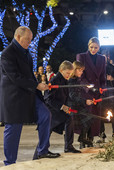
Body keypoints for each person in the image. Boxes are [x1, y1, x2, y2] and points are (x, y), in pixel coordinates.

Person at [0, 26, 60, 166]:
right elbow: (15, 77)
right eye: (27, 39)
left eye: (31, 40)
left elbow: (30, 75)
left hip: (29, 93)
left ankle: (42, 150)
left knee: (46, 115)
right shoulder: (7, 54)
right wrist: (36, 86)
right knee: (14, 128)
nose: (29, 42)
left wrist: (40, 86)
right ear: (18, 37)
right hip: (14, 97)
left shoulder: (27, 53)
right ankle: (10, 162)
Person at [44, 60, 81, 153]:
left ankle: (68, 146)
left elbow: (65, 96)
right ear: (61, 70)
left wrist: (66, 106)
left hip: (57, 110)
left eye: (70, 73)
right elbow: (48, 98)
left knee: (68, 119)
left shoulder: (64, 80)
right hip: (51, 110)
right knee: (48, 130)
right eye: (67, 73)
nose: (69, 75)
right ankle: (42, 150)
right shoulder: (55, 80)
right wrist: (61, 106)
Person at [76, 37, 106, 143]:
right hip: (86, 91)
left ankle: (91, 138)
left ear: (99, 47)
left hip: (97, 91)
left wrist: (103, 87)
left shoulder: (102, 59)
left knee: (95, 116)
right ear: (88, 46)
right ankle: (83, 138)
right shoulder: (82, 56)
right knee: (86, 115)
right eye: (91, 47)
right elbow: (80, 75)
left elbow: (103, 76)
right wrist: (86, 86)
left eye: (96, 47)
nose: (93, 49)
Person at [67, 61, 93, 149]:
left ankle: (82, 138)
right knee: (70, 125)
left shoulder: (76, 80)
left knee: (88, 118)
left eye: (82, 70)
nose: (82, 72)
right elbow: (72, 95)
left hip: (78, 104)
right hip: (72, 105)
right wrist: (84, 101)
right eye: (80, 70)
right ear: (74, 70)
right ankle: (68, 145)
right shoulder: (71, 81)